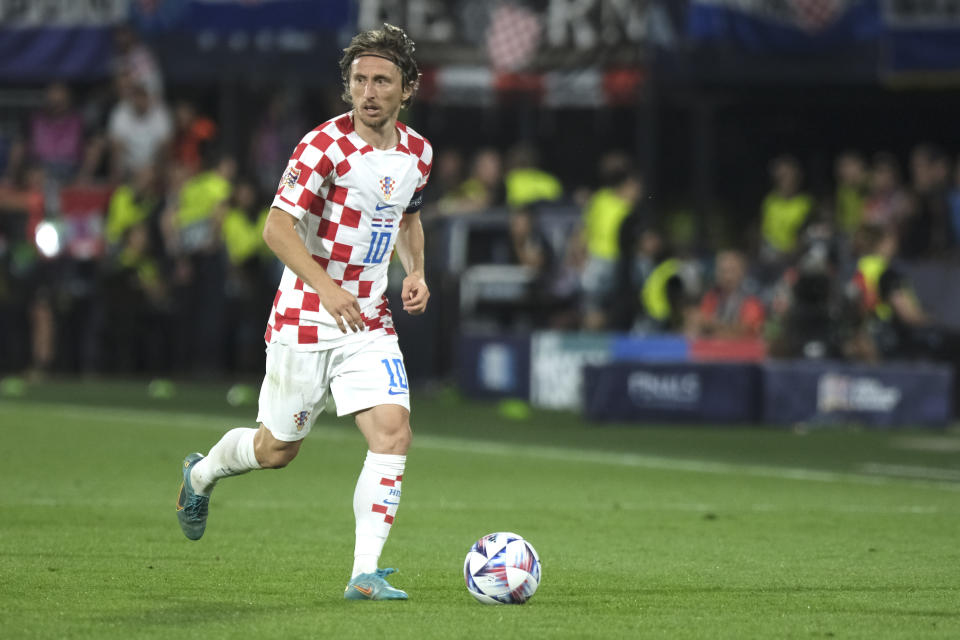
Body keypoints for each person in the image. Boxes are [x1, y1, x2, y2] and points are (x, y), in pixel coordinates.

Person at [175, 24, 432, 602]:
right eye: (359, 80)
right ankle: (200, 474)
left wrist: (415, 272)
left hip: (368, 319)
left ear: (406, 89)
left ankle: (364, 572)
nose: (368, 91)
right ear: (348, 87)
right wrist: (327, 288)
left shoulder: (419, 153)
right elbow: (276, 227)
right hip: (305, 319)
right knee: (276, 451)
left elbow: (408, 218)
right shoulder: (323, 146)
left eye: (382, 81)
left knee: (393, 434)